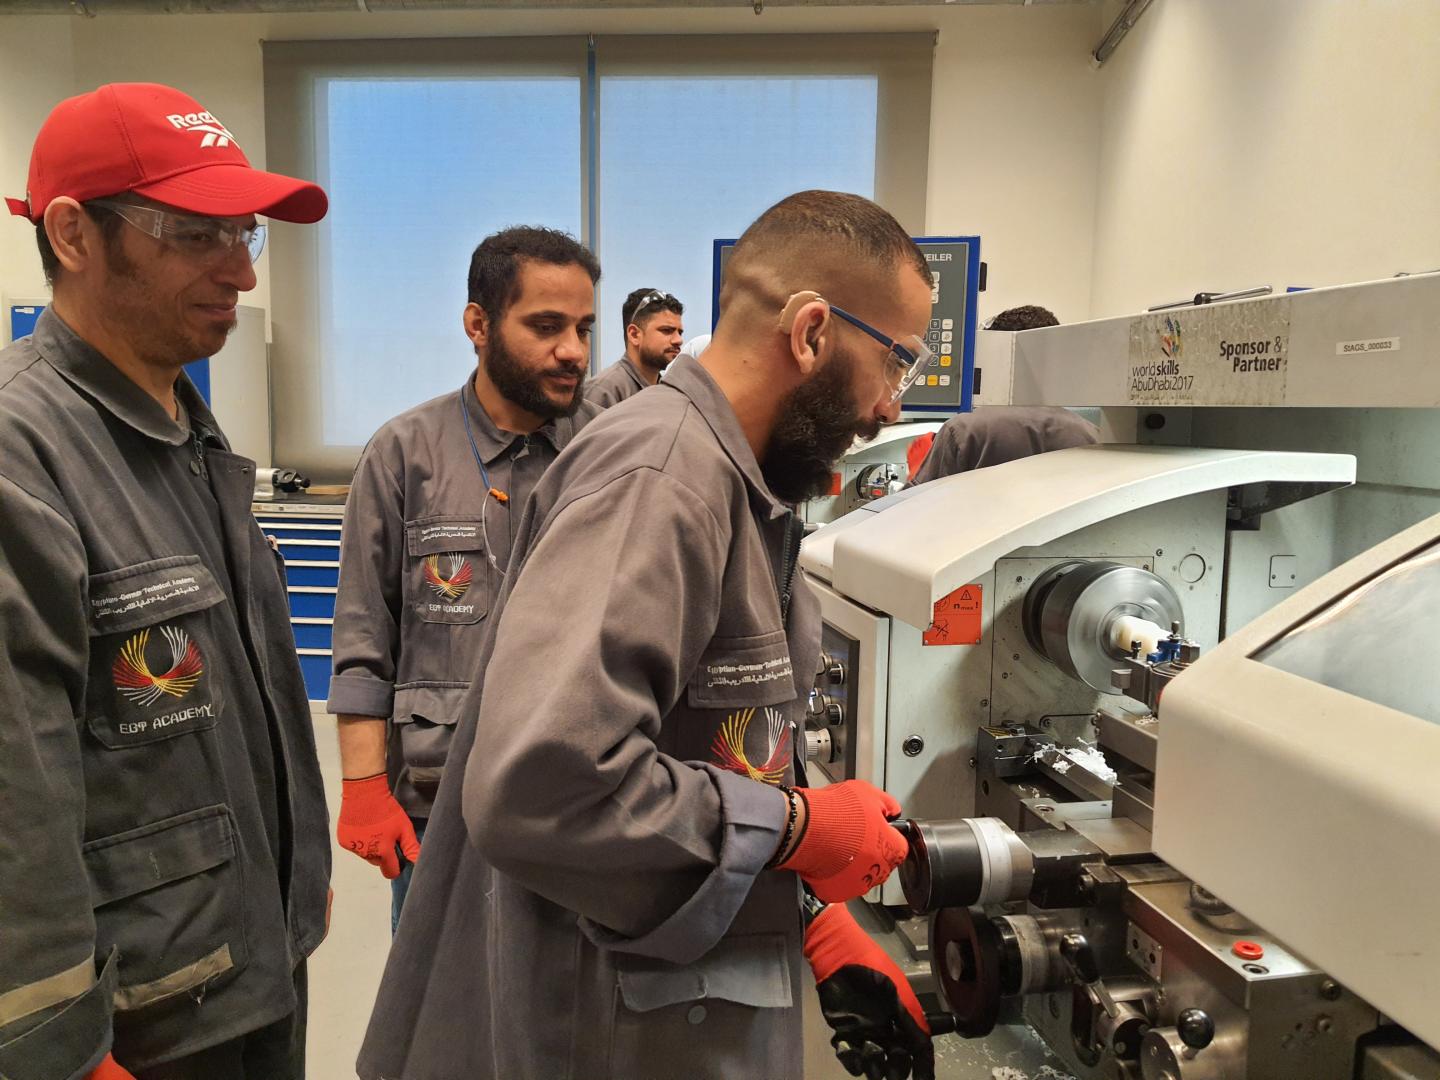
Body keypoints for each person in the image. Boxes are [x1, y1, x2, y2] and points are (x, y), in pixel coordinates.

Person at [357, 190, 938, 1080]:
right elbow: (543, 790)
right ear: (813, 332)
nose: (890, 409)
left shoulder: (737, 485)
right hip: (606, 1021)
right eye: (896, 363)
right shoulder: (663, 482)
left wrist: (813, 919)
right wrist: (793, 828)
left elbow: (714, 749)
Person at [0, 83, 330, 1080]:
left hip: (244, 969)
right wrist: (55, 1048)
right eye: (195, 234)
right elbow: (15, 792)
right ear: (73, 234)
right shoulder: (25, 456)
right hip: (134, 1029)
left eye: (244, 232)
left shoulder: (181, 431)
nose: (238, 269)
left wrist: (292, 882)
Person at [327, 227, 602, 930]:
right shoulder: (403, 454)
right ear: (478, 325)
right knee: (433, 1030)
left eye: (582, 327)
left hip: (583, 807)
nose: (572, 349)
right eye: (545, 326)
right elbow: (365, 633)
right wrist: (363, 787)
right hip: (439, 806)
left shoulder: (612, 450)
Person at [907, 304, 1099, 484]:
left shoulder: (964, 431)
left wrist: (917, 467)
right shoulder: (1091, 436)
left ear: (995, 354)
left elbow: (911, 510)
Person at [585, 286, 684, 407]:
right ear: (634, 334)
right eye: (667, 330)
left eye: (680, 332)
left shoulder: (668, 392)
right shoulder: (603, 392)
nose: (678, 340)